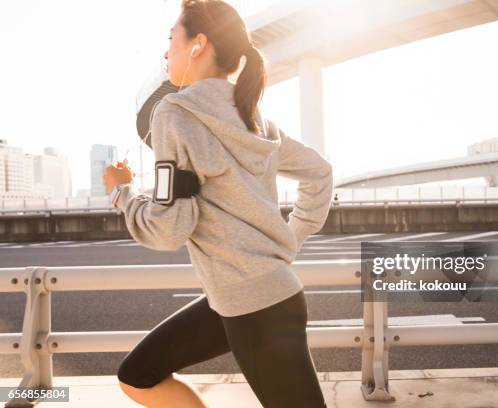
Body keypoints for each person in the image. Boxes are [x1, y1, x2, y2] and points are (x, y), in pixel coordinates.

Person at [102, 1, 333, 407]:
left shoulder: (174, 112)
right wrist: (287, 240)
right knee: (137, 375)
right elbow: (319, 172)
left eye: (171, 40)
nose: (166, 53)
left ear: (198, 45)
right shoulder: (252, 116)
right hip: (244, 297)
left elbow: (169, 228)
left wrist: (122, 192)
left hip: (254, 306)